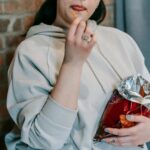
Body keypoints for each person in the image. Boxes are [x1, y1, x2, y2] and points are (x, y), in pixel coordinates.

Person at [5, 0, 150, 150]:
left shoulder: (122, 40)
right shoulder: (30, 52)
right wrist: (72, 64)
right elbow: (44, 140)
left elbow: (147, 101)